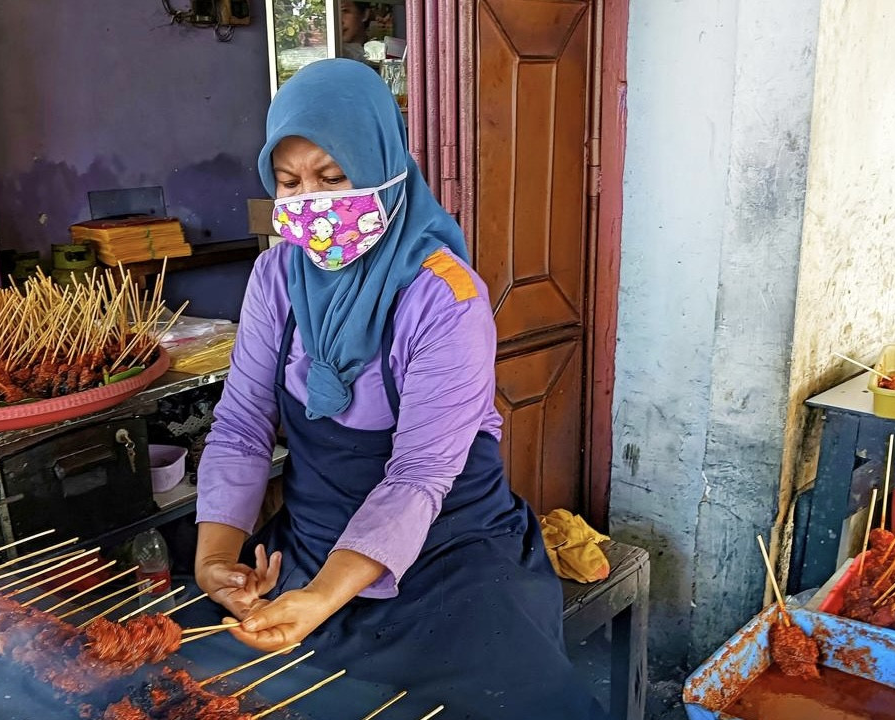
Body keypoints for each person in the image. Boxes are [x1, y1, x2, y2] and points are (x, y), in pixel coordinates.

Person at [193, 59, 606, 720]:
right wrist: (213, 562)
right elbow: (241, 425)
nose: (311, 205)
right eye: (290, 182)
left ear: (384, 166)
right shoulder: (276, 278)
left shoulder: (446, 297)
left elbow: (417, 477)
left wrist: (324, 597)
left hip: (449, 559)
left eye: (332, 178)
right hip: (308, 544)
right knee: (205, 685)